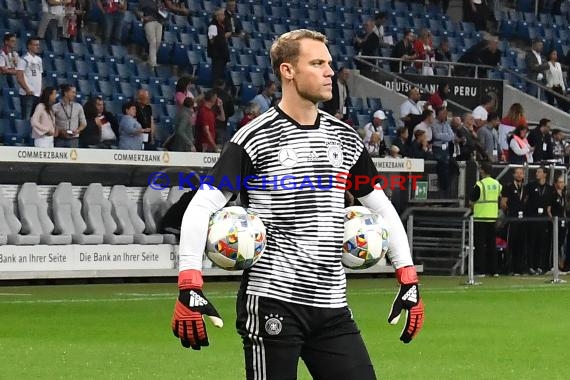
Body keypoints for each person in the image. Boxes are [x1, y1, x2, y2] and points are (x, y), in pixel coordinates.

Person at [171, 29, 424, 379]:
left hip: (332, 307)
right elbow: (201, 206)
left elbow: (380, 207)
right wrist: (189, 281)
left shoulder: (346, 138)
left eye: (329, 64)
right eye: (317, 63)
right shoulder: (254, 137)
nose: (329, 72)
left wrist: (407, 275)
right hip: (272, 301)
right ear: (287, 71)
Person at [470, 161, 501, 276]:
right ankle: (493, 270)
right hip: (492, 217)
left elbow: (471, 201)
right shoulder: (497, 184)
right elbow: (499, 198)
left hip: (480, 218)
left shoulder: (480, 184)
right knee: (492, 245)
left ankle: (480, 270)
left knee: (480, 246)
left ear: (482, 170)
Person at [524, 167, 553, 275]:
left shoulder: (549, 188)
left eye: (539, 172)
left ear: (545, 174)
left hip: (543, 219)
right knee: (531, 242)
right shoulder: (531, 186)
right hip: (532, 218)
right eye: (537, 172)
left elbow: (549, 206)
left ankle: (540, 266)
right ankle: (530, 266)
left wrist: (550, 218)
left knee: (542, 243)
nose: (537, 173)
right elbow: (525, 199)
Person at [500, 167, 527, 275]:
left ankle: (519, 268)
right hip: (512, 219)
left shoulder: (525, 188)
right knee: (510, 243)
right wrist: (509, 212)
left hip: (522, 220)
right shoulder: (508, 187)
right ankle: (508, 267)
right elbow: (503, 203)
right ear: (513, 175)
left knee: (520, 244)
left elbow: (525, 200)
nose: (520, 175)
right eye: (518, 173)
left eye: (521, 173)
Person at [16, 37, 43, 120]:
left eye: (38, 45)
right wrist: (27, 89)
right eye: (35, 45)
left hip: (37, 93)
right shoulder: (24, 59)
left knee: (35, 120)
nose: (37, 47)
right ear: (29, 46)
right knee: (26, 118)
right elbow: (19, 77)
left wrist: (41, 89)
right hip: (28, 94)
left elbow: (39, 75)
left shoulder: (39, 59)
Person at [53, 84, 87, 148]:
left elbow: (84, 123)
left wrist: (78, 130)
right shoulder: (55, 107)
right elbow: (51, 122)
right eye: (73, 92)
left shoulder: (78, 107)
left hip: (74, 139)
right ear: (66, 93)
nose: (75, 95)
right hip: (60, 139)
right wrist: (60, 131)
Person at [550, 174, 566, 273]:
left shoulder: (564, 195)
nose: (561, 184)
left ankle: (559, 266)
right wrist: (552, 221)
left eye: (562, 182)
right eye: (559, 182)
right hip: (555, 222)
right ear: (556, 184)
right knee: (554, 243)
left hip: (563, 222)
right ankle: (552, 265)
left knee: (560, 243)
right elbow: (549, 209)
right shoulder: (553, 194)